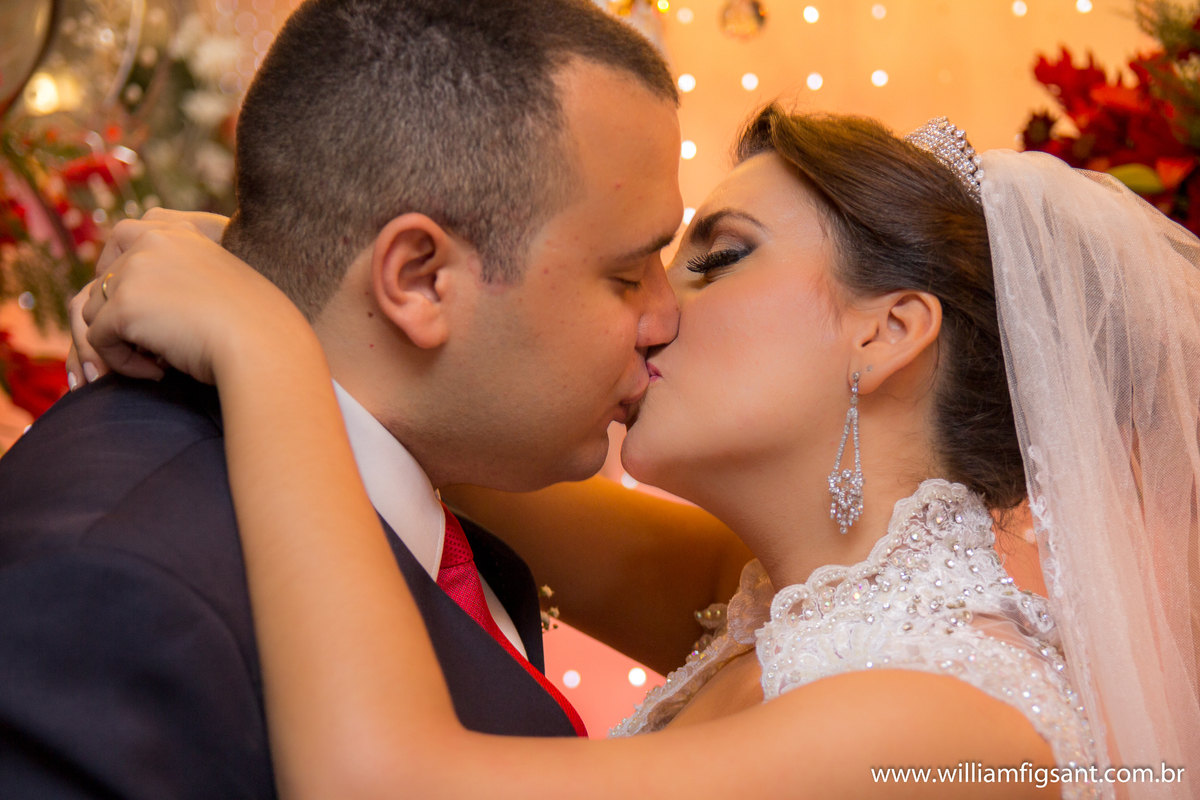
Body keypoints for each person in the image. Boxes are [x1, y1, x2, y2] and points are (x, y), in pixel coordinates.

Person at [73, 100, 1200, 797]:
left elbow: (384, 785)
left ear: (886, 330)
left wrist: (255, 334)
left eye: (716, 256)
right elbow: (427, 413)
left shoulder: (948, 719)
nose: (650, 312)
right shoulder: (778, 599)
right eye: (639, 271)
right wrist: (279, 262)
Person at [0, 1, 759, 796]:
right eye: (628, 272)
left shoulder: (426, 473)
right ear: (419, 279)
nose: (667, 316)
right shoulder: (111, 584)